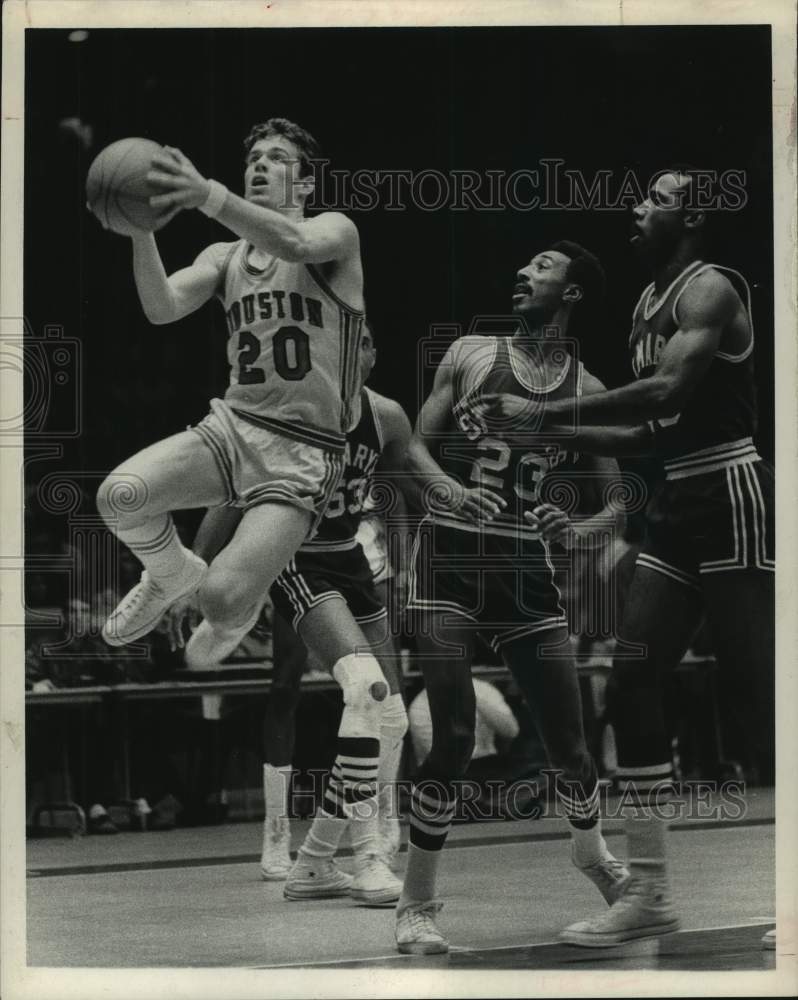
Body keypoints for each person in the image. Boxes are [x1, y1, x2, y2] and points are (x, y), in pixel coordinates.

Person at [489, 170, 775, 947]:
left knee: (760, 698)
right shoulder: (647, 310)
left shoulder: (710, 288)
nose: (637, 205)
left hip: (732, 489)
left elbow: (664, 391)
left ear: (693, 214)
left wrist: (547, 410)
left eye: (655, 196)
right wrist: (553, 435)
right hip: (680, 502)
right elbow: (651, 433)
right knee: (632, 681)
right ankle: (649, 891)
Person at [394, 242, 630, 955]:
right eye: (521, 264)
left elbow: (616, 504)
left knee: (572, 746)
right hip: (449, 556)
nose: (523, 273)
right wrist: (449, 491)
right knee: (456, 735)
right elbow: (407, 446)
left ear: (574, 292)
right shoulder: (470, 352)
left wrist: (574, 528)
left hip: (527, 569)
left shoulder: (587, 386)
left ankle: (592, 854)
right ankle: (416, 904)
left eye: (542, 266)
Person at [96, 118, 364, 678]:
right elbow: (162, 306)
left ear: (308, 184)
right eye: (254, 158)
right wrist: (140, 227)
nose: (260, 165)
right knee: (119, 496)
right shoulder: (225, 255)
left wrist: (207, 195)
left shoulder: (335, 231)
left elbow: (291, 241)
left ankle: (232, 612)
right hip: (234, 424)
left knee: (218, 597)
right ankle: (168, 573)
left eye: (277, 157)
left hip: (304, 449)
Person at [164, 325, 414, 905]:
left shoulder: (389, 418)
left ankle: (315, 863)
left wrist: (412, 561)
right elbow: (230, 502)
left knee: (395, 716)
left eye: (366, 343)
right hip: (295, 558)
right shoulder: (290, 413)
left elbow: (403, 490)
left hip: (354, 560)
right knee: (364, 693)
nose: (354, 353)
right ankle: (367, 852)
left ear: (374, 355)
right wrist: (187, 579)